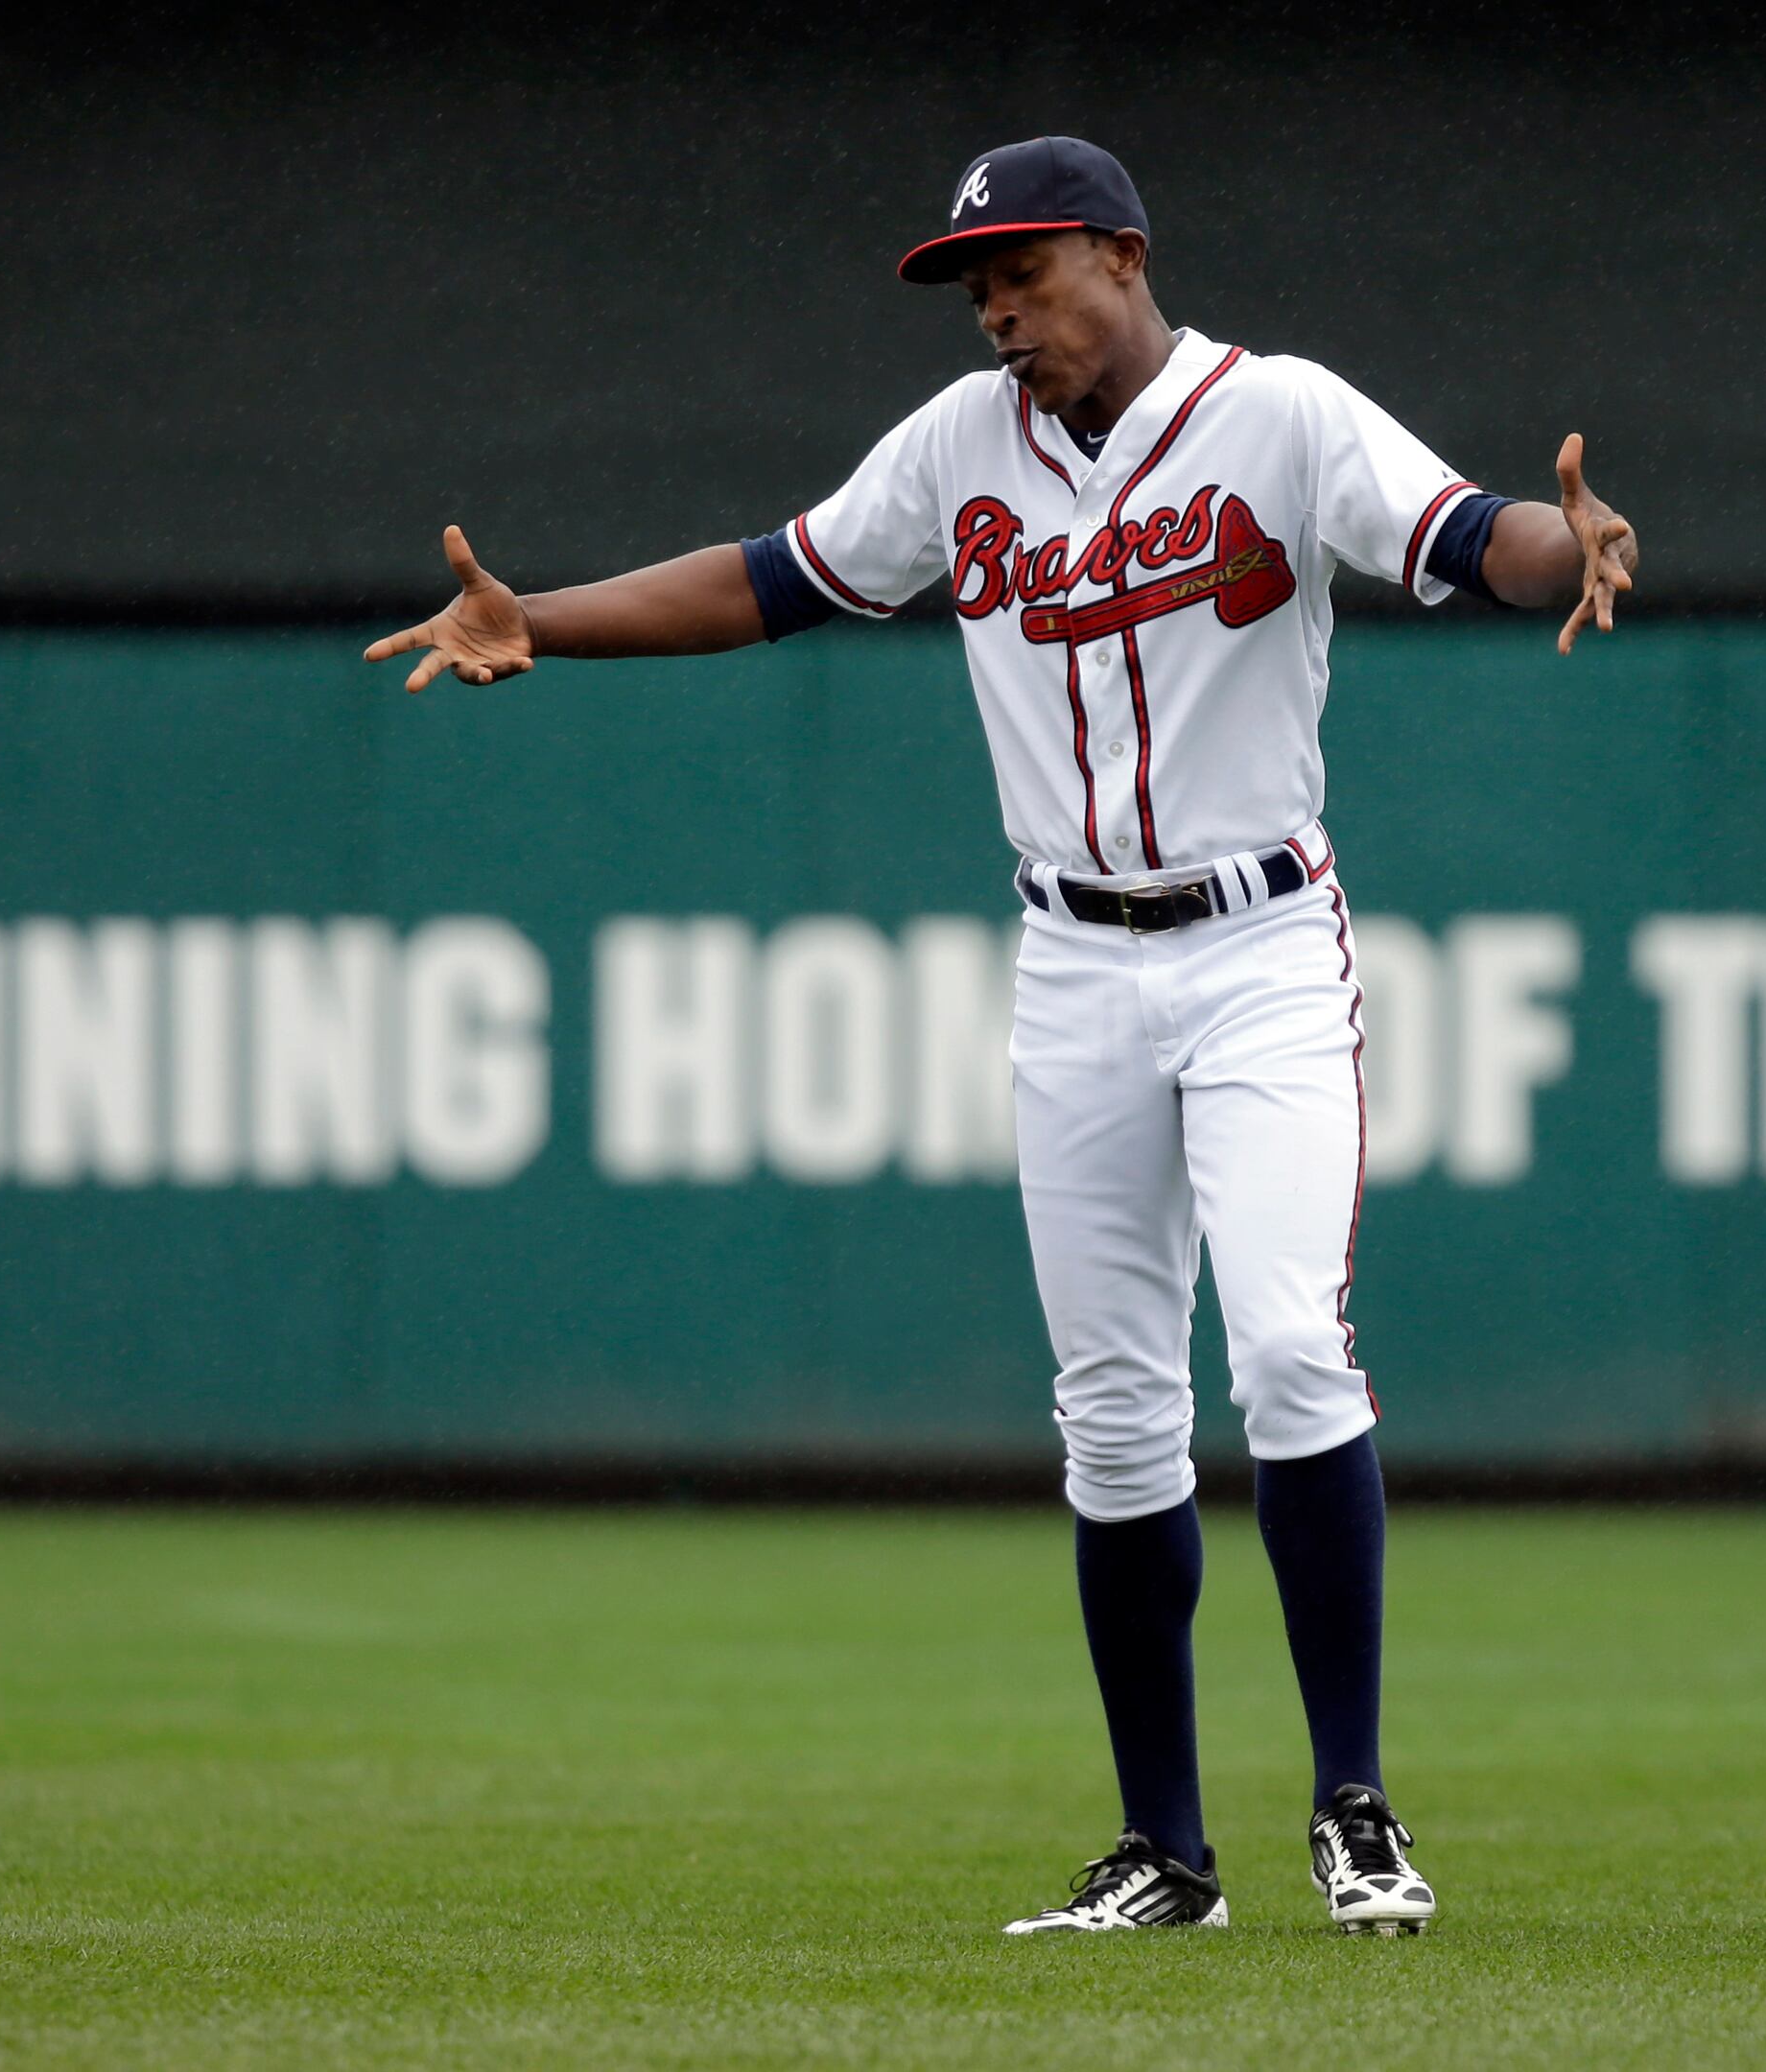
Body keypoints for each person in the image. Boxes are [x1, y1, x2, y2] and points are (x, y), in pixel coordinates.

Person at [367, 135, 1636, 1936]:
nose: (996, 313)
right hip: (1074, 963)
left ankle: (1353, 1806)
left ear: (1123, 254)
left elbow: (1469, 534)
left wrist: (1567, 541)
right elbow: (770, 579)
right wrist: (541, 624)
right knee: (1114, 1417)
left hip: (1263, 943)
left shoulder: (1277, 414)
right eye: (976, 288)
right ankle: (1165, 1854)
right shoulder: (964, 447)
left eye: (1023, 273)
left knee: (1290, 1352)